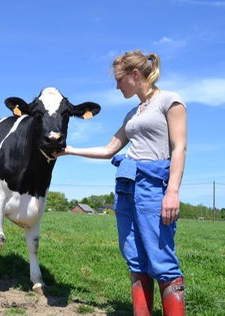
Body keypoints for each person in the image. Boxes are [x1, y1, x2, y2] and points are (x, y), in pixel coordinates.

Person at [57, 50, 186, 315]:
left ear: (135, 74)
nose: (116, 86)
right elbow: (108, 150)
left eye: (119, 79)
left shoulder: (169, 101)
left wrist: (172, 191)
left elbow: (179, 147)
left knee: (161, 259)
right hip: (126, 186)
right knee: (135, 259)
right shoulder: (132, 114)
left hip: (153, 185)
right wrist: (69, 149)